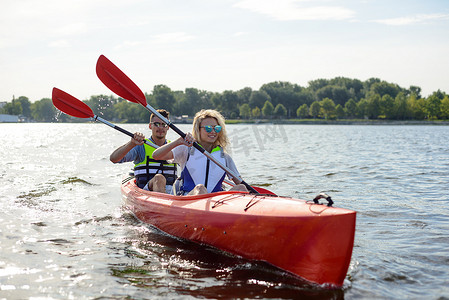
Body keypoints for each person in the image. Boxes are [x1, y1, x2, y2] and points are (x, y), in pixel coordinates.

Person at [153, 109, 247, 195]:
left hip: (215, 202)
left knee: (242, 188)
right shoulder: (186, 149)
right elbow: (156, 155)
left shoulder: (224, 157)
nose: (213, 132)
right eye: (208, 128)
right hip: (188, 198)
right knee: (200, 189)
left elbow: (240, 182)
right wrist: (178, 142)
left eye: (217, 128)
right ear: (198, 129)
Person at [110, 109, 176, 194]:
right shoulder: (141, 146)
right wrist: (132, 143)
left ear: (168, 127)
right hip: (146, 191)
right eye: (157, 124)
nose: (160, 128)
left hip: (172, 193)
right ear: (150, 126)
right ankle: (161, 204)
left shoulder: (174, 147)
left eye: (164, 124)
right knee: (159, 178)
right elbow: (114, 159)